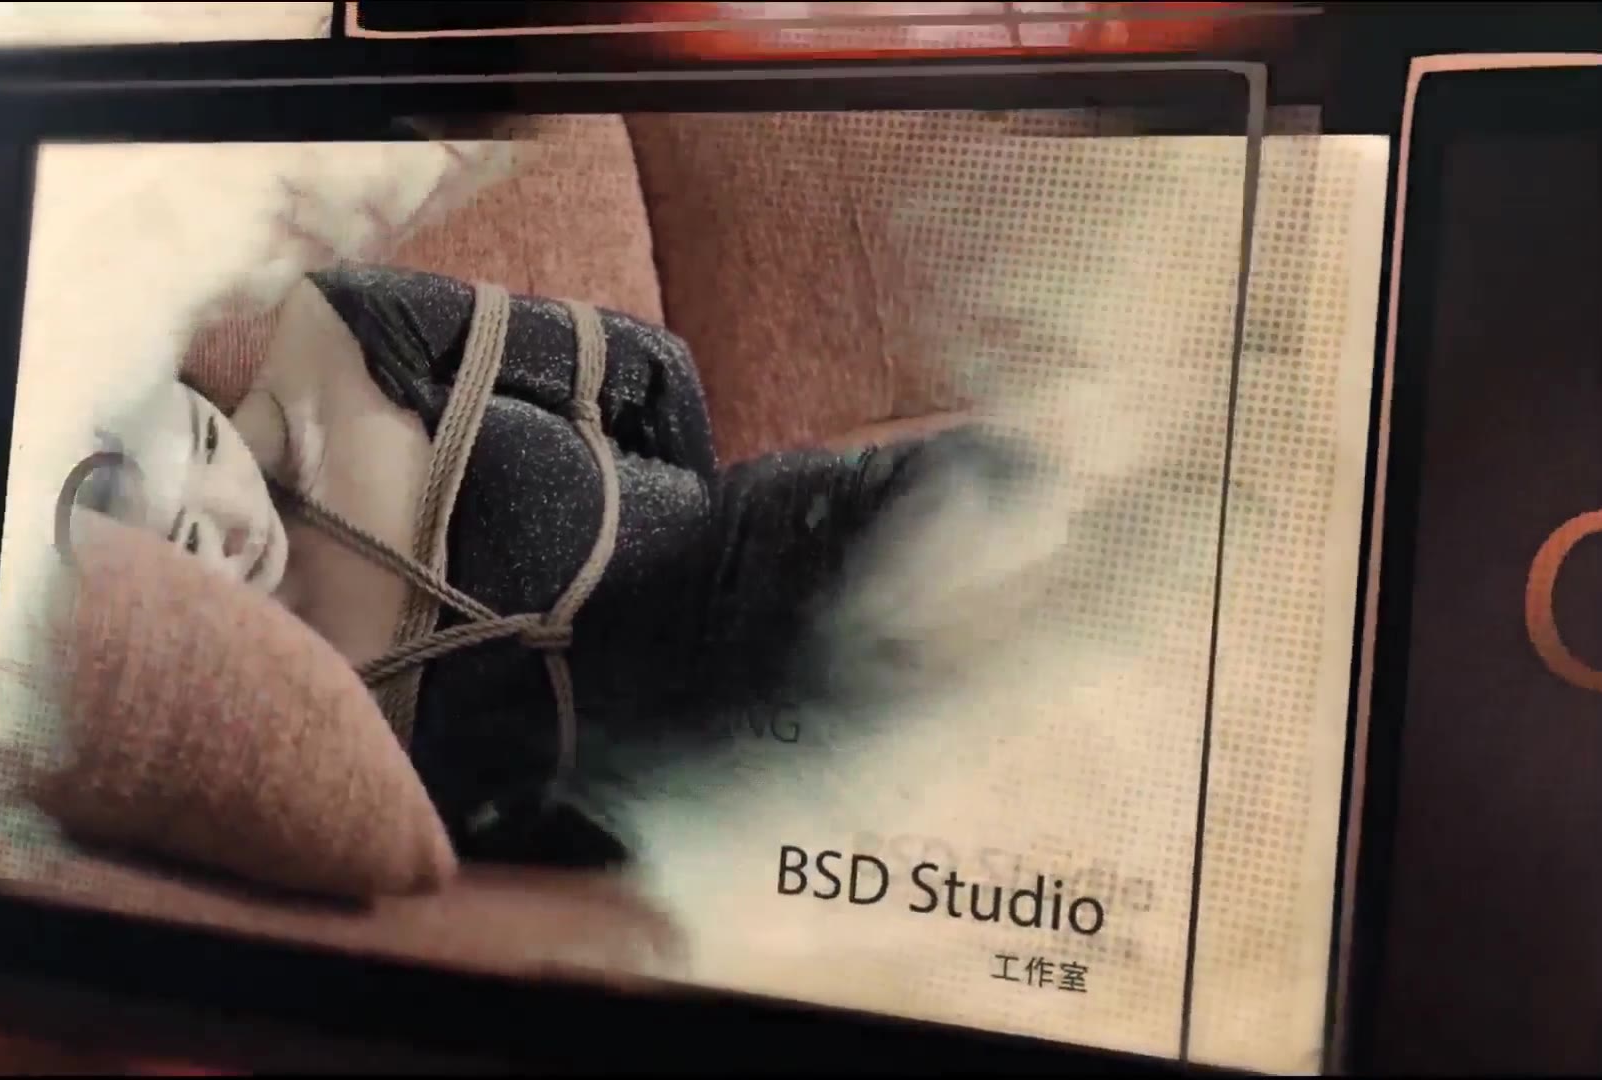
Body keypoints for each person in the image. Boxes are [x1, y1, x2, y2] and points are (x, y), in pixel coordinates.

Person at [71, 264, 1019, 868]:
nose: (234, 523)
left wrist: (669, 545)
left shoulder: (343, 335)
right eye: (188, 543)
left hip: (787, 544)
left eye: (206, 441)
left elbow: (652, 371)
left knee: (1013, 558)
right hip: (716, 792)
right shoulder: (265, 736)